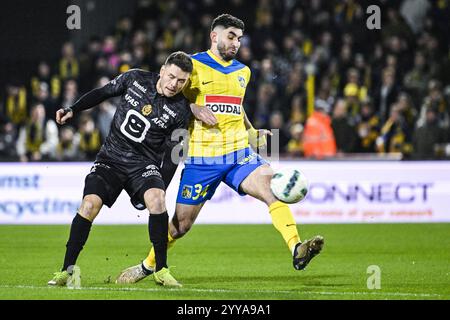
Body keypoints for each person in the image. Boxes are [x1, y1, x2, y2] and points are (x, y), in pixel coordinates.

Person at [117, 14, 324, 284]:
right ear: (214, 36)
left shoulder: (243, 72)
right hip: (202, 159)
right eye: (231, 36)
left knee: (272, 189)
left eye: (239, 38)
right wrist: (192, 108)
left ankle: (296, 248)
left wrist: (250, 131)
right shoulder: (191, 66)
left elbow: (237, 105)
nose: (236, 43)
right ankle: (147, 266)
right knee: (180, 226)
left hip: (239, 154)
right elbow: (164, 96)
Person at [48, 51, 195, 288]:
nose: (174, 84)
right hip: (111, 159)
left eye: (181, 81)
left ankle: (161, 270)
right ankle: (66, 271)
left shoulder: (181, 110)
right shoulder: (135, 79)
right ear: (163, 70)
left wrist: (161, 186)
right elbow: (102, 93)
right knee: (89, 205)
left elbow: (172, 156)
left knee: (157, 200)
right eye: (171, 77)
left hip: (143, 165)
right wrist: (73, 109)